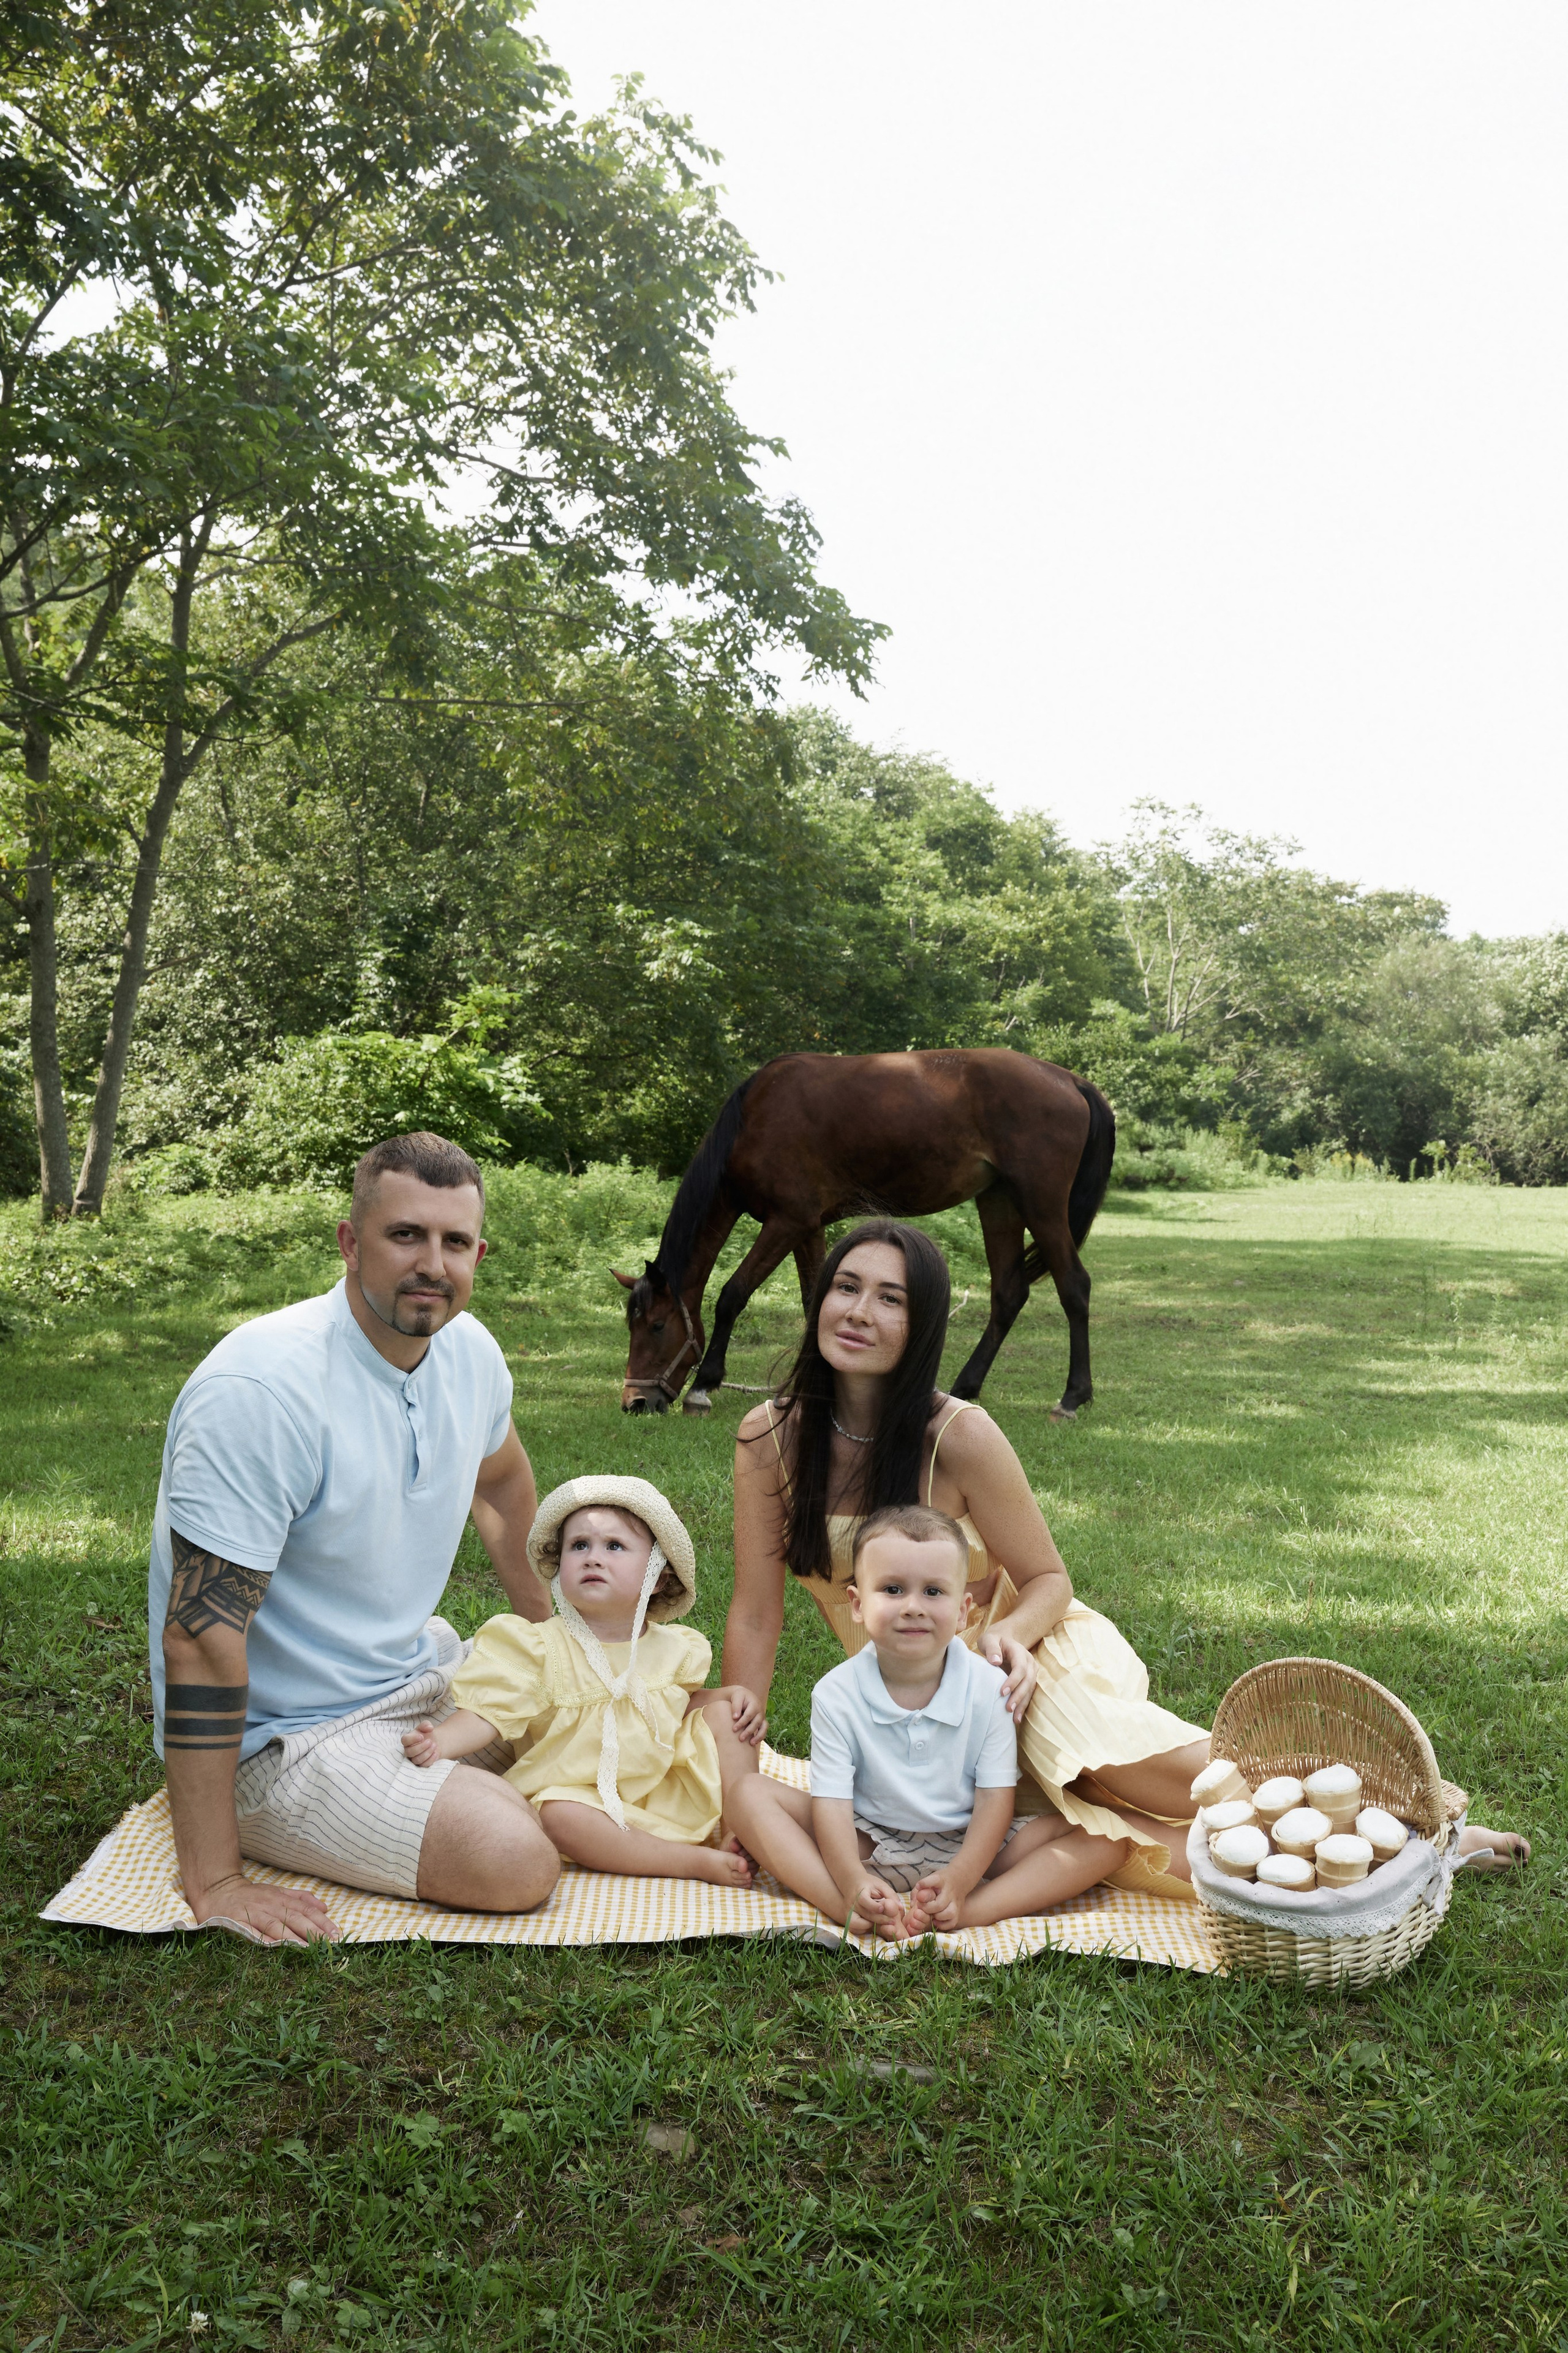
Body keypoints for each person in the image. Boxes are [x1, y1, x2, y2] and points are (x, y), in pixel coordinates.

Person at [725, 1218, 1529, 1892]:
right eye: (846, 1287)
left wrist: (1011, 1643)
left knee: (1138, 1775)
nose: (858, 1310)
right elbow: (757, 1618)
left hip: (1022, 1653)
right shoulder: (771, 1438)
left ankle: (1415, 1815)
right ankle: (1402, 1866)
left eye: (889, 1297)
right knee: (1121, 1841)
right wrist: (740, 1770)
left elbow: (1047, 1578)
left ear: (923, 1323)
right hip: (915, 1699)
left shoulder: (959, 1435)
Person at [149, 1130, 562, 1947]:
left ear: (479, 1252)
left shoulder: (470, 1353)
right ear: (350, 1242)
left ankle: (473, 1780)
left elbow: (504, 1481)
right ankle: (459, 1801)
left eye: (453, 1242)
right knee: (514, 1855)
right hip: (286, 1741)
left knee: (641, 1717)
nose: (431, 1266)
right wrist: (216, 1878)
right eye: (404, 1235)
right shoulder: (260, 1390)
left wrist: (550, 1646)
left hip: (414, 1678)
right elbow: (199, 1638)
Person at [726, 1504, 1130, 1936]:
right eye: (894, 1589)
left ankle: (972, 1909)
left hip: (976, 1842)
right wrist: (850, 1876)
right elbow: (831, 1803)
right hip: (869, 1839)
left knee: (1109, 1838)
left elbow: (995, 1799)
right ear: (858, 1604)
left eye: (934, 1592)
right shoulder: (835, 1694)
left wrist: (962, 1876)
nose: (914, 1606)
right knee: (747, 1793)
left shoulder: (988, 1687)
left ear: (962, 1611)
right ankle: (848, 1903)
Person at [402, 1476, 761, 1887]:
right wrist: (442, 1741)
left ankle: (743, 1825)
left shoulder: (676, 1647)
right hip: (584, 1798)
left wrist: (727, 1696)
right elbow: (489, 1712)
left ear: (658, 1576)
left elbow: (679, 1705)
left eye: (614, 1546)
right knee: (558, 1813)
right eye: (579, 1545)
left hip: (659, 1783)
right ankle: (687, 1861)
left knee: (730, 1717)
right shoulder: (540, 1647)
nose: (593, 1557)